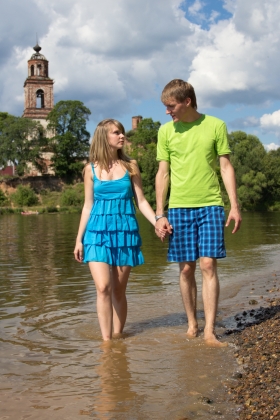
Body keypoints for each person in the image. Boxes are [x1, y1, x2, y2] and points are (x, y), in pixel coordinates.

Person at [155, 79, 242, 347]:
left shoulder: (215, 125)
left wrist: (235, 205)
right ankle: (192, 324)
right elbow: (163, 172)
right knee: (185, 269)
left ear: (187, 101)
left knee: (207, 264)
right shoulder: (165, 131)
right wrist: (160, 214)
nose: (168, 111)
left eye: (171, 106)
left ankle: (209, 331)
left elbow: (226, 167)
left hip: (210, 204)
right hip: (179, 207)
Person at [74, 119, 163, 341]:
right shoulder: (89, 169)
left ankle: (118, 338)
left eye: (122, 132)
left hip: (125, 233)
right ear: (104, 137)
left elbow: (141, 202)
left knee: (118, 292)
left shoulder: (131, 166)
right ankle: (107, 345)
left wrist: (157, 222)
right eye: (116, 132)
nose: (122, 136)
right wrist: (79, 239)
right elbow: (87, 206)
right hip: (96, 234)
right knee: (103, 287)